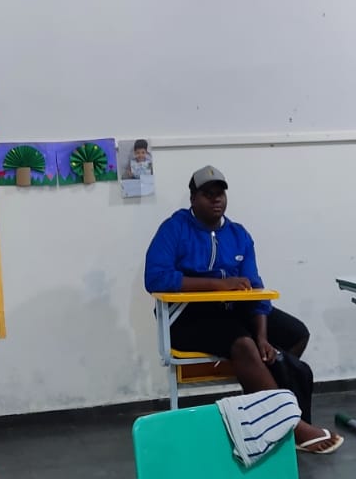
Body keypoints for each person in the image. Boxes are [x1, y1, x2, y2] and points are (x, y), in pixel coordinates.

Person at [144, 165, 342, 454]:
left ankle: (261, 408)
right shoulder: (174, 229)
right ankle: (292, 426)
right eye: (207, 194)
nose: (216, 199)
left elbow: (256, 289)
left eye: (220, 193)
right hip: (184, 317)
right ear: (193, 198)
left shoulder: (239, 235)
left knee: (296, 333)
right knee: (242, 344)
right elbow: (156, 278)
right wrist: (217, 285)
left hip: (230, 312)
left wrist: (263, 337)